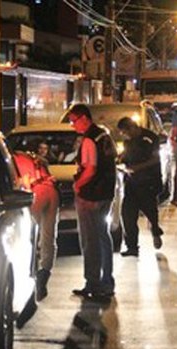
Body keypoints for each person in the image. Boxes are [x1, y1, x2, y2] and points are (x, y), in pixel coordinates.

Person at [69, 104, 117, 300]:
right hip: (106, 193)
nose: (73, 126)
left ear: (84, 118)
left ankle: (93, 283)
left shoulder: (89, 139)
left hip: (91, 195)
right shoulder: (103, 135)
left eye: (74, 121)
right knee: (103, 236)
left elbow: (90, 169)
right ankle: (106, 281)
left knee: (90, 241)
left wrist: (77, 186)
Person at [13, 151, 60, 301]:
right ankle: (44, 273)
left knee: (30, 234)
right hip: (52, 191)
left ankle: (31, 271)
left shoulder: (16, 159)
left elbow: (25, 182)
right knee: (49, 236)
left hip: (37, 191)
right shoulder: (35, 158)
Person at [117, 117, 164, 257]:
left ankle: (155, 230)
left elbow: (156, 159)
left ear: (132, 127)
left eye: (126, 132)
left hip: (148, 182)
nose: (125, 135)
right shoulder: (128, 142)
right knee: (128, 215)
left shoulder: (150, 138)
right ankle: (132, 247)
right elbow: (126, 157)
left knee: (150, 211)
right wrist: (120, 159)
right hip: (131, 183)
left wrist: (137, 168)